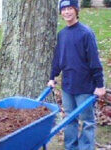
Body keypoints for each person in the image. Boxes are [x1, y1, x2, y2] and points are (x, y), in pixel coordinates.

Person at [47, 0, 106, 150]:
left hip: (85, 85)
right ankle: (71, 146)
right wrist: (52, 77)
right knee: (70, 118)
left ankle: (86, 147)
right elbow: (58, 58)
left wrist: (100, 85)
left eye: (70, 9)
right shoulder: (62, 34)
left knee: (87, 121)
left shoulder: (86, 33)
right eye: (64, 9)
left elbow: (94, 61)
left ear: (76, 10)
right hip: (67, 85)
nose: (67, 12)